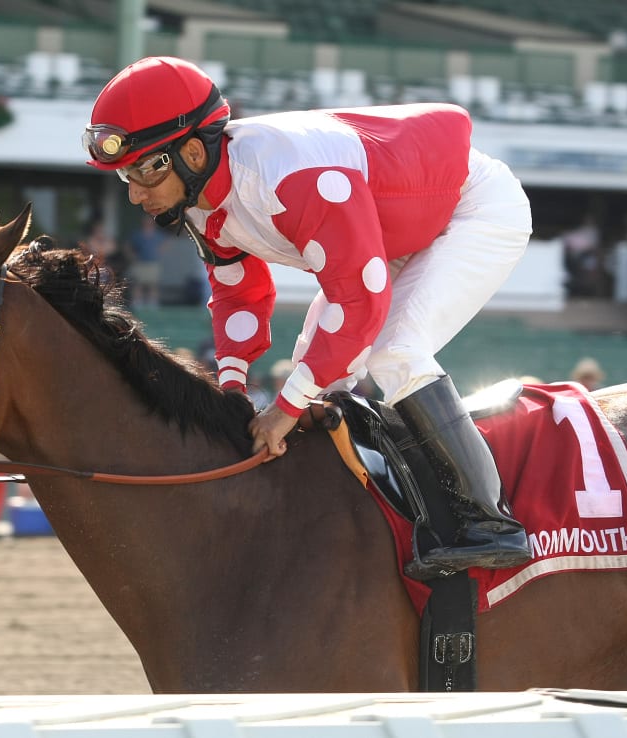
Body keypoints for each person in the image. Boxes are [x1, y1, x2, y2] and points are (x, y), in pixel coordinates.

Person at [82, 56, 533, 573]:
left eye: (143, 169)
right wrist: (233, 389)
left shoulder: (295, 179)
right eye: (125, 175)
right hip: (394, 231)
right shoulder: (201, 202)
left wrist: (284, 409)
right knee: (321, 372)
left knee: (391, 349)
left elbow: (360, 304)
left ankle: (489, 521)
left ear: (188, 151)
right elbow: (238, 297)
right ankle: (358, 516)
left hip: (471, 209)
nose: (135, 191)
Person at [125, 216, 167, 308]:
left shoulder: (158, 235)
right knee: (138, 283)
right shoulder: (137, 234)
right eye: (145, 222)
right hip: (140, 262)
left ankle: (152, 303)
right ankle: (137, 302)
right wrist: (132, 257)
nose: (147, 224)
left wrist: (158, 254)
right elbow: (128, 247)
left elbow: (164, 245)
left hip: (153, 263)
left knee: (153, 284)